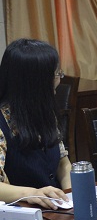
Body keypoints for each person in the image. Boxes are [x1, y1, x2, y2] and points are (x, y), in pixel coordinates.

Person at [0, 38, 71, 210]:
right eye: (55, 74)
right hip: (20, 216)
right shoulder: (2, 123)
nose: (59, 79)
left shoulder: (45, 113)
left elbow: (63, 163)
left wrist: (71, 194)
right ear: (34, 82)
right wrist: (31, 193)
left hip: (56, 210)